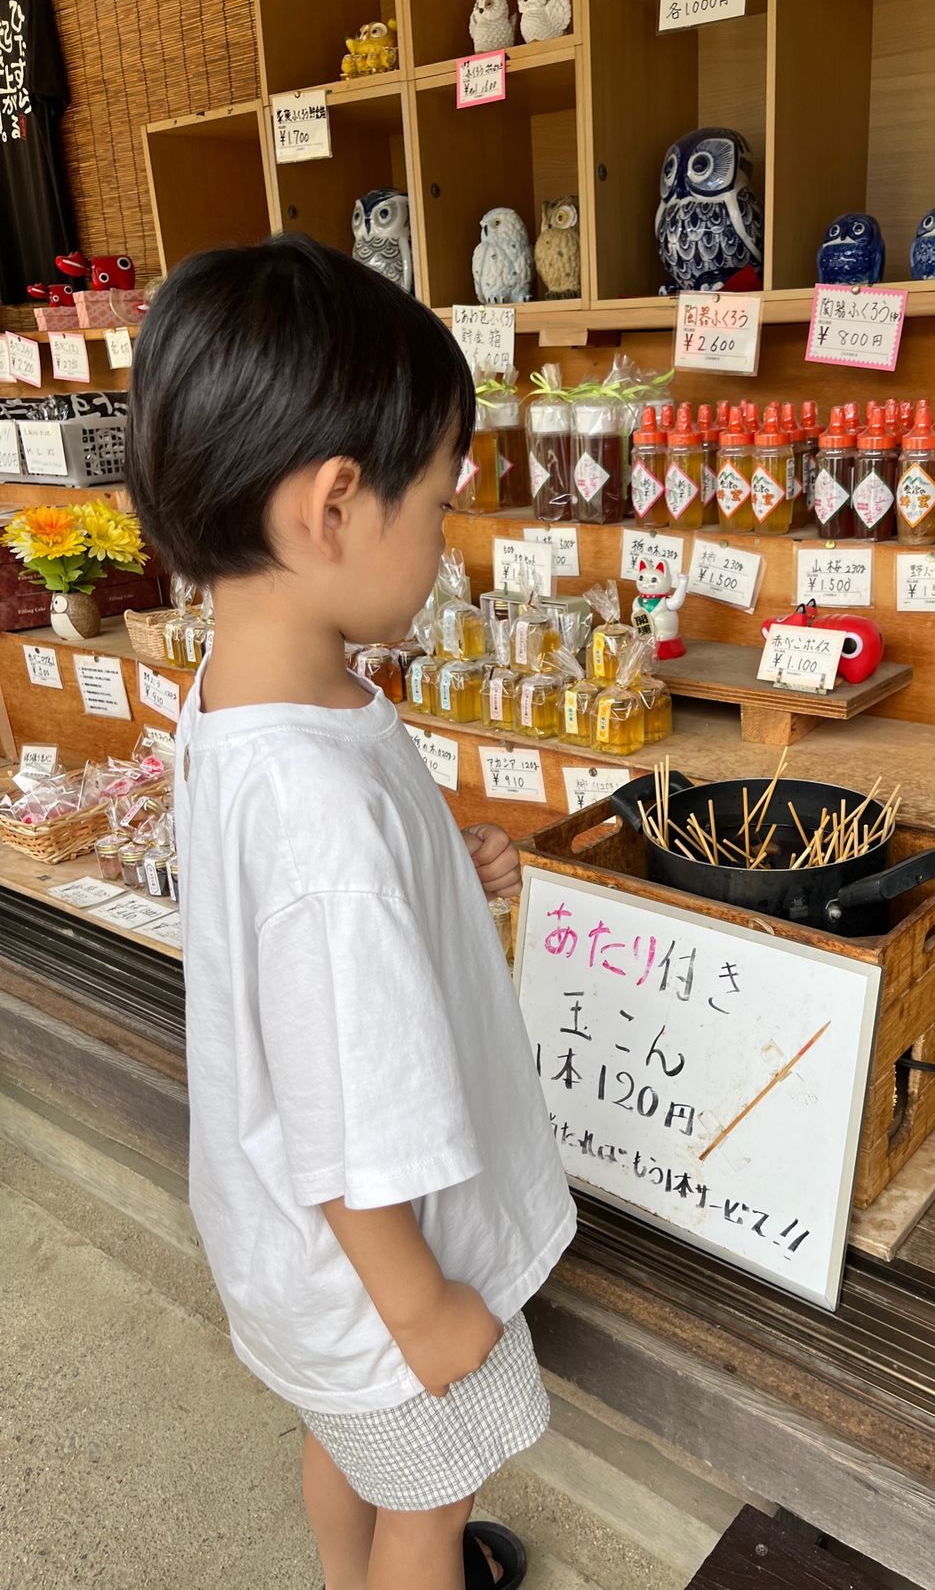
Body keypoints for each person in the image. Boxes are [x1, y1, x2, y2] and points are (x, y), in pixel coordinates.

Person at [125, 235, 576, 1590]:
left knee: (350, 1444)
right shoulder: (318, 812)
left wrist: (440, 874)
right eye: (436, 505)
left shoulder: (245, 689)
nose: (443, 542)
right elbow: (347, 1119)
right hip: (381, 1269)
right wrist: (423, 1309)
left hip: (292, 1253)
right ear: (332, 507)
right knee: (429, 1503)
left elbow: (314, 939)